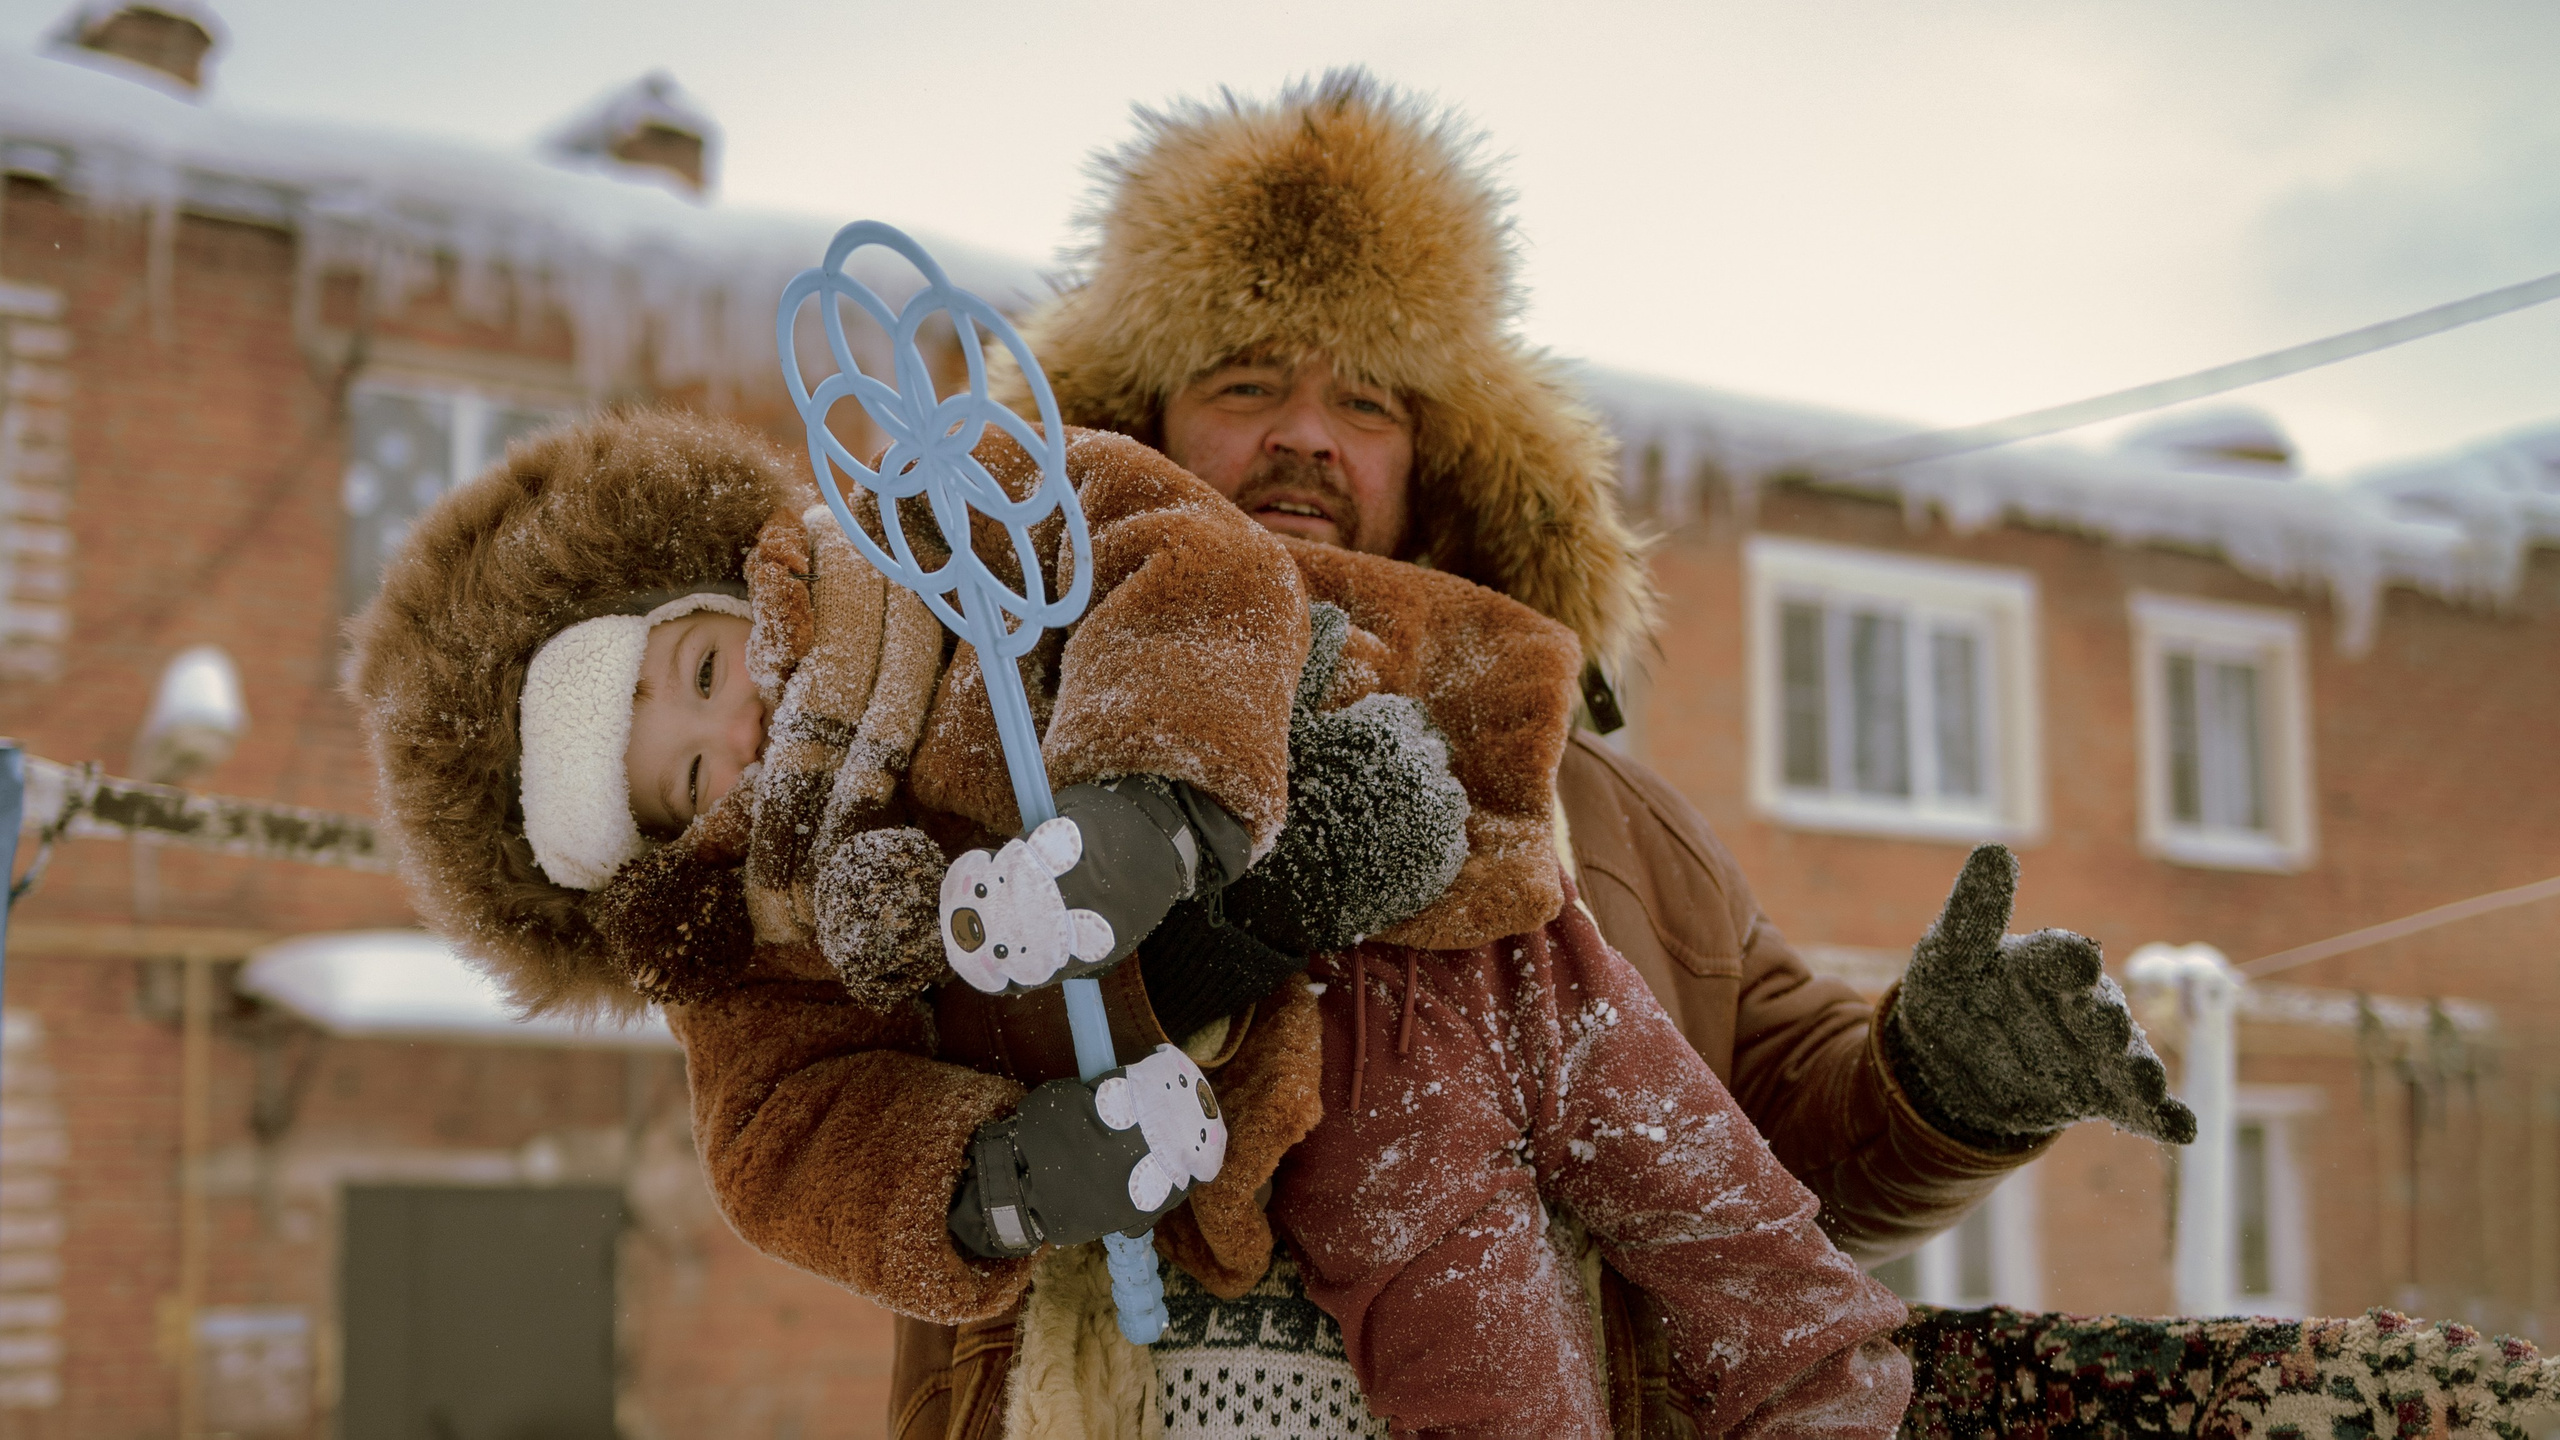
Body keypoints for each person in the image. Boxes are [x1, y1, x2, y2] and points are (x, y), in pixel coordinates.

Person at [881, 69, 2193, 1438]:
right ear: (1135, 424)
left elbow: (1761, 1156)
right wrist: (1212, 945)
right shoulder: (986, 735)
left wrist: (1942, 1081)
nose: (1305, 434)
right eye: (1246, 380)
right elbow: (853, 1079)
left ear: (1443, 459)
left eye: (1368, 401)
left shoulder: (1599, 814)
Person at [348, 405, 1922, 1437]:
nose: (738, 728)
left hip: (1506, 933)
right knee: (1476, 1343)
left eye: (700, 672)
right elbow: (785, 1139)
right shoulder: (789, 920)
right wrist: (1005, 1175)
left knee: (1718, 1211)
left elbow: (1176, 549)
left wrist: (1151, 806)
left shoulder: (947, 530)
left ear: (706, 591)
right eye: (689, 777)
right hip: (1320, 1095)